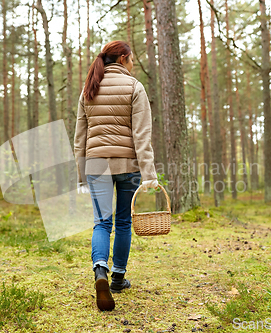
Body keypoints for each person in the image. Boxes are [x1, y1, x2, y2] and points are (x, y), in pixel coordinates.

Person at [74, 40, 159, 311]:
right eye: (132, 59)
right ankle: (118, 278)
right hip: (128, 165)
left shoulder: (89, 88)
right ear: (123, 58)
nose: (133, 63)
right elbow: (142, 135)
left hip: (96, 165)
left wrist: (80, 176)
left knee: (101, 222)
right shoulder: (135, 87)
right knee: (123, 222)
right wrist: (149, 174)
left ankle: (100, 270)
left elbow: (80, 138)